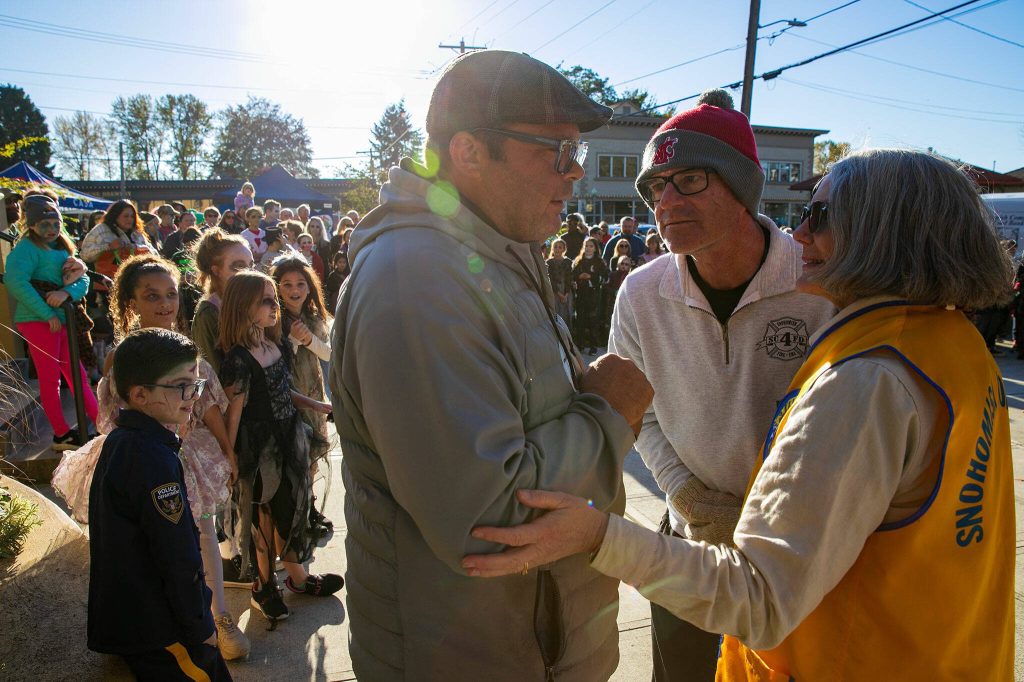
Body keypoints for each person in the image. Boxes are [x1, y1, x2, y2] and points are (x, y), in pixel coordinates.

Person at [463, 147, 1016, 681]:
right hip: (940, 650)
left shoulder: (867, 380)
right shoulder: (952, 344)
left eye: (819, 216)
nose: (799, 233)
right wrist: (684, 496)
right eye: (657, 187)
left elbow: (760, 598)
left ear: (885, 231)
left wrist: (598, 536)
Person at [329, 49, 653, 681]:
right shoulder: (417, 277)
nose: (575, 175)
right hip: (471, 654)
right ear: (469, 152)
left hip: (531, 643)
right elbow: (489, 520)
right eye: (557, 152)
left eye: (579, 154)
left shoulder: (500, 247)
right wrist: (610, 414)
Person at [54, 255, 250, 661]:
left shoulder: (188, 351)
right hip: (145, 457)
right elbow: (110, 416)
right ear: (130, 302)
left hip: (190, 457)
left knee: (202, 535)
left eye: (172, 294)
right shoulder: (120, 359)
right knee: (150, 544)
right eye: (152, 296)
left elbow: (210, 407)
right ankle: (150, 622)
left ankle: (219, 616)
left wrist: (228, 452)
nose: (165, 303)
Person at [86, 327, 233, 680]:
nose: (193, 396)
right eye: (181, 386)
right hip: (161, 631)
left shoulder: (125, 441)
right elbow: (176, 554)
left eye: (195, 384)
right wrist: (201, 625)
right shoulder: (152, 459)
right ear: (139, 394)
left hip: (139, 621)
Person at [218, 271, 342, 622]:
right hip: (259, 448)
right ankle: (263, 584)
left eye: (275, 299)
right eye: (267, 301)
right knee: (262, 518)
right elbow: (235, 412)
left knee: (291, 507)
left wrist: (316, 406)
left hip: (289, 437)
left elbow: (281, 391)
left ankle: (298, 578)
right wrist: (230, 457)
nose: (276, 307)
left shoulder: (275, 345)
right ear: (244, 308)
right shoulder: (238, 359)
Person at [5, 195, 99, 449]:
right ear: (32, 224)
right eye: (44, 224)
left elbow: (83, 278)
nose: (51, 229)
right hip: (39, 322)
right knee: (50, 379)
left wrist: (66, 293)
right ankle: (61, 433)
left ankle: (101, 422)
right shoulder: (25, 249)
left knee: (77, 374)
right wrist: (46, 314)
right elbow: (15, 281)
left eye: (55, 224)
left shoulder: (62, 249)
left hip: (63, 319)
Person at [271, 256, 333, 533]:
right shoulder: (273, 319)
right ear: (276, 287)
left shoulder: (313, 316)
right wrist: (294, 341)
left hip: (313, 390)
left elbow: (329, 353)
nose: (294, 290)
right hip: (291, 395)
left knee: (313, 457)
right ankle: (299, 514)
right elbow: (277, 363)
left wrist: (308, 339)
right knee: (296, 456)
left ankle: (310, 507)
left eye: (300, 283)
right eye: (286, 285)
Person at [190, 229, 254, 374]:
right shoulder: (209, 313)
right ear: (216, 270)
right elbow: (215, 375)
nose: (249, 273)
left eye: (251, 265)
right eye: (239, 266)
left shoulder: (247, 302)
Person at [79, 200, 154, 279]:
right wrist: (108, 246)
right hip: (108, 283)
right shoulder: (100, 230)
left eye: (132, 216)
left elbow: (154, 253)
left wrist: (136, 247)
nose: (130, 219)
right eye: (126, 216)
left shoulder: (137, 233)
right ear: (115, 216)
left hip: (136, 280)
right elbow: (85, 255)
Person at [572, 236, 608, 355]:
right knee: (580, 320)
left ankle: (593, 346)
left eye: (591, 246)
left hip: (594, 295)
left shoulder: (600, 262)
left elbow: (604, 278)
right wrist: (578, 277)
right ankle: (580, 345)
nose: (588, 248)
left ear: (595, 248)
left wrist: (591, 277)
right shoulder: (578, 261)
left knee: (593, 321)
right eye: (586, 246)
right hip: (581, 294)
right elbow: (572, 276)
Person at [546, 237, 573, 326]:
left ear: (564, 249)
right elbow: (550, 279)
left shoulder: (567, 262)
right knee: (555, 311)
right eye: (555, 247)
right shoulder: (549, 262)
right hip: (554, 291)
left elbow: (569, 278)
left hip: (566, 290)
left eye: (560, 247)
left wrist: (566, 294)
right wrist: (559, 294)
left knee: (566, 311)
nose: (557, 249)